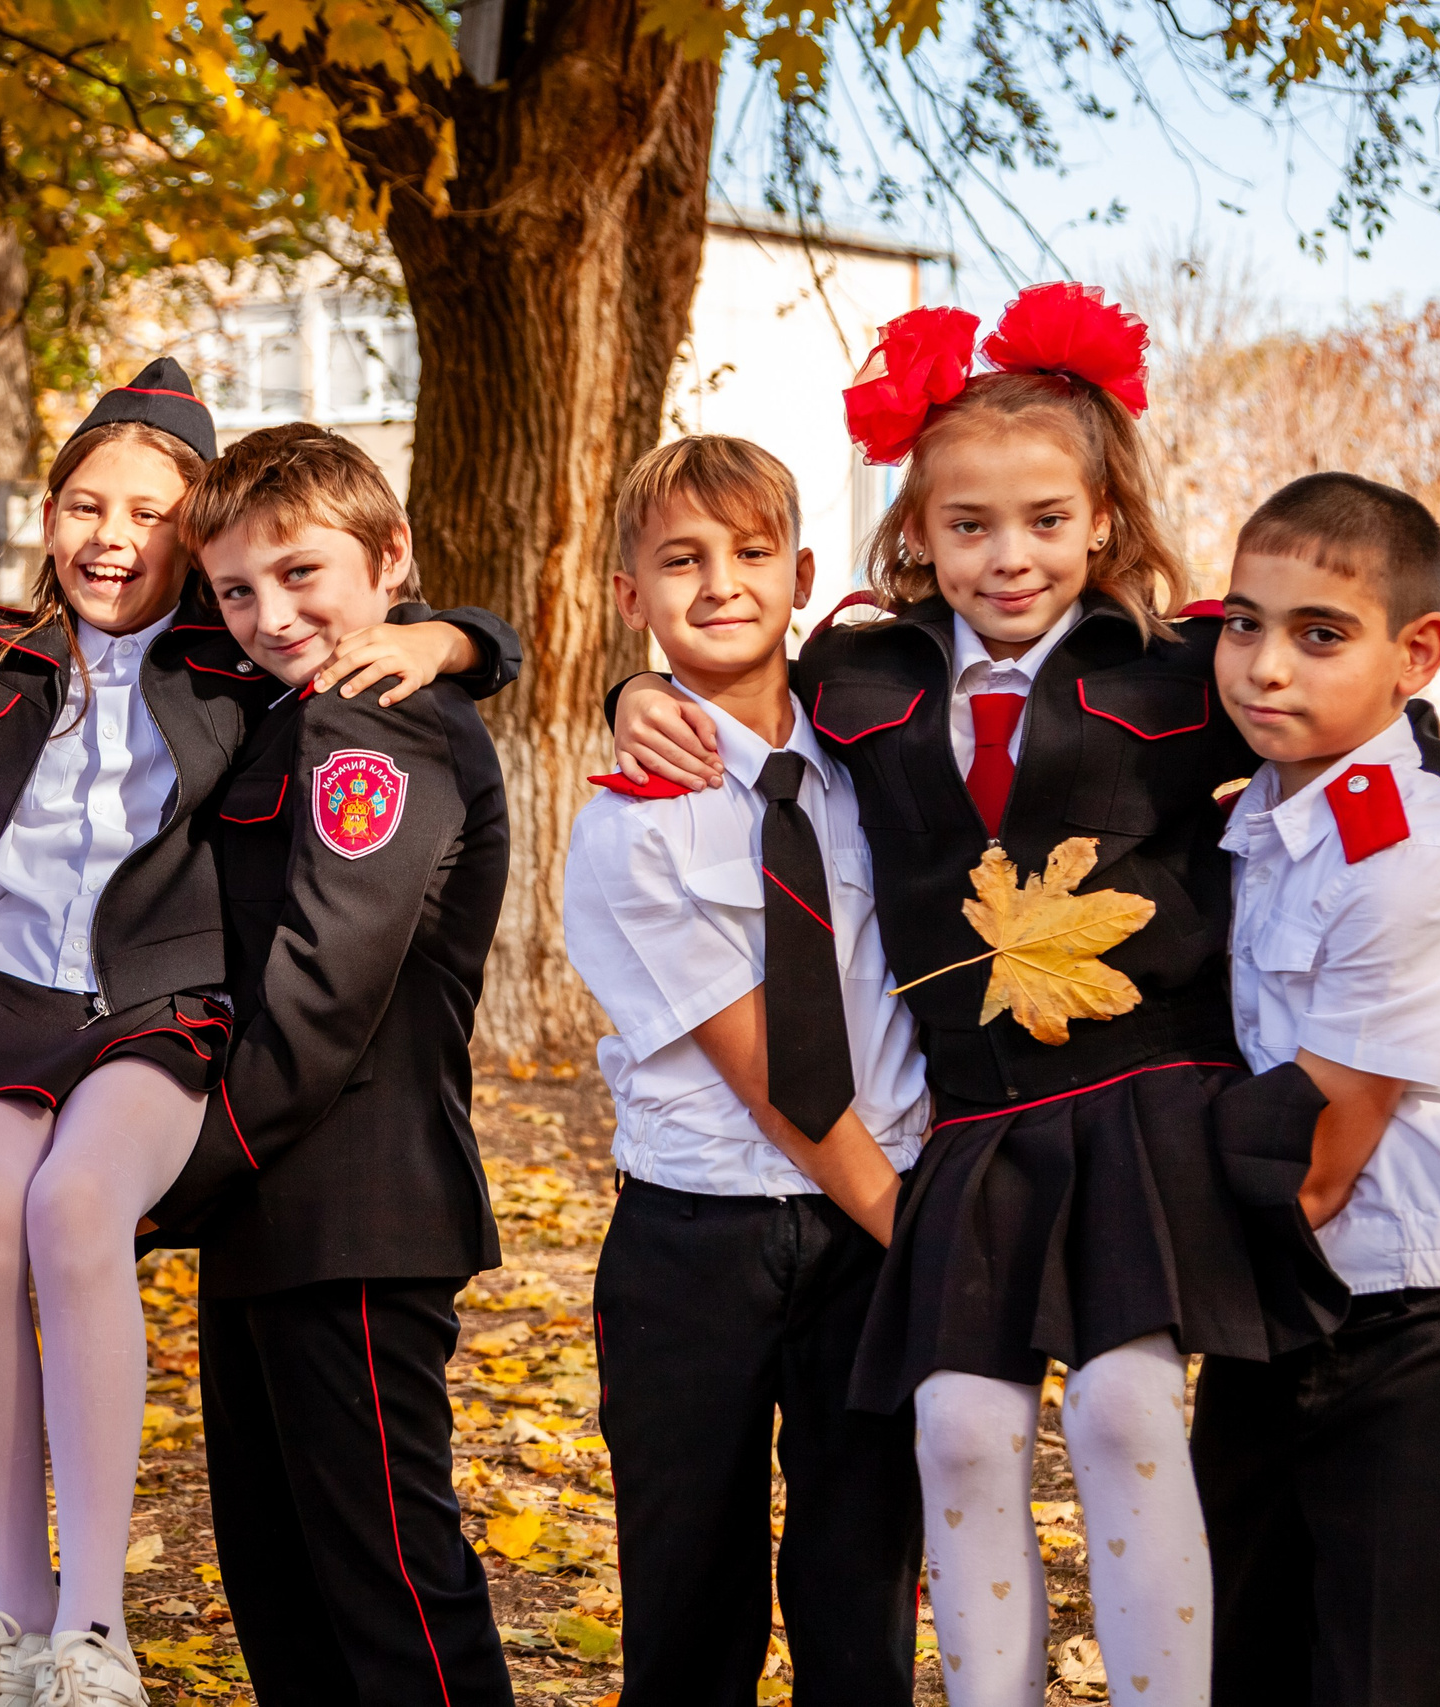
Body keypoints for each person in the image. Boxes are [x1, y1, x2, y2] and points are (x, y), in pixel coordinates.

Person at [606, 285, 1440, 1707]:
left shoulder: (1184, 664)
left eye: (1045, 522)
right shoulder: (856, 671)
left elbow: (1396, 732)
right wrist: (617, 692)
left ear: (1103, 525)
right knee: (954, 1425)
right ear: (915, 534)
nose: (1009, 557)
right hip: (974, 1120)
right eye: (968, 526)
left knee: (1135, 1404)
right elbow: (732, 685)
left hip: (1145, 1106)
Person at [0, 362, 519, 1707]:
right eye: (83, 503)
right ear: (46, 513)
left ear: (200, 536)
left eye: (152, 513)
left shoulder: (252, 666)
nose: (113, 536)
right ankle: (12, 1616)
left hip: (150, 1008)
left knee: (77, 1220)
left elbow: (369, 631)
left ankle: (96, 1628)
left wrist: (457, 634)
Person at [145, 423, 516, 1707]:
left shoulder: (383, 724)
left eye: (301, 574)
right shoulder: (288, 710)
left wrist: (164, 1184)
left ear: (389, 557)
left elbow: (321, 994)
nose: (269, 614)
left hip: (352, 1207)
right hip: (270, 1208)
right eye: (236, 589)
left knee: (390, 1594)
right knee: (279, 1579)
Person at [560, 435, 926, 1704]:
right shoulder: (630, 823)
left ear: (801, 573)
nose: (720, 583)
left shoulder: (874, 765)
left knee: (861, 1591)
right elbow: (771, 1074)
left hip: (866, 1251)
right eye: (681, 560)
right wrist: (912, 1228)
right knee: (688, 1598)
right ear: (630, 598)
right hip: (698, 1242)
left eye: (751, 553)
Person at [1193, 472, 1440, 1707]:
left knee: (1383, 1678)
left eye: (1318, 635)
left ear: (1418, 654)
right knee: (1235, 1661)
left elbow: (1316, 1160)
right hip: (1274, 1311)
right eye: (1242, 624)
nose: (1263, 669)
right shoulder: (1260, 814)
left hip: (1424, 1330)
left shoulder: (1417, 858)